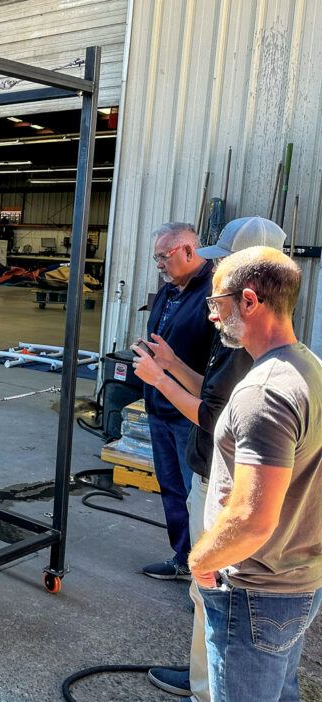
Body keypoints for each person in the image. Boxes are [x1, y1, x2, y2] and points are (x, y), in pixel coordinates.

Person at [131, 216, 287, 701]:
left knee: (215, 589)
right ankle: (207, 678)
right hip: (213, 470)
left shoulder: (258, 361)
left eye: (226, 267)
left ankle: (206, 686)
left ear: (252, 289)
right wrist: (172, 365)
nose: (213, 313)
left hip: (221, 479)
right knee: (212, 591)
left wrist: (160, 379)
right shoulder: (258, 346)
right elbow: (215, 392)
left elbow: (212, 414)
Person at [187, 246, 322, 702]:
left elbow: (250, 519)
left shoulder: (264, 393)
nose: (213, 317)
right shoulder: (309, 368)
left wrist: (200, 561)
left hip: (255, 592)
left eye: (216, 304)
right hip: (296, 581)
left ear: (249, 301)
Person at [137, 222, 216, 582]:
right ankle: (183, 558)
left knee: (195, 494)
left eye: (162, 257)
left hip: (189, 413)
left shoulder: (214, 295)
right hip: (158, 406)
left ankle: (207, 575)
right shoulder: (171, 291)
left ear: (188, 250)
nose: (158, 265)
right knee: (171, 489)